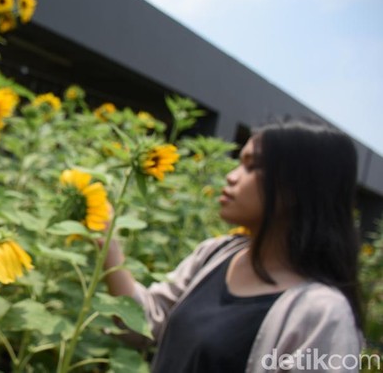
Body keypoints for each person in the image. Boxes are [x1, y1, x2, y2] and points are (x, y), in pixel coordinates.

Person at [103, 119, 364, 373]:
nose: (231, 177)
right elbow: (145, 324)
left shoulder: (322, 316)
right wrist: (109, 249)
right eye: (240, 162)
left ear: (298, 187)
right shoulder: (216, 254)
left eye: (252, 167)